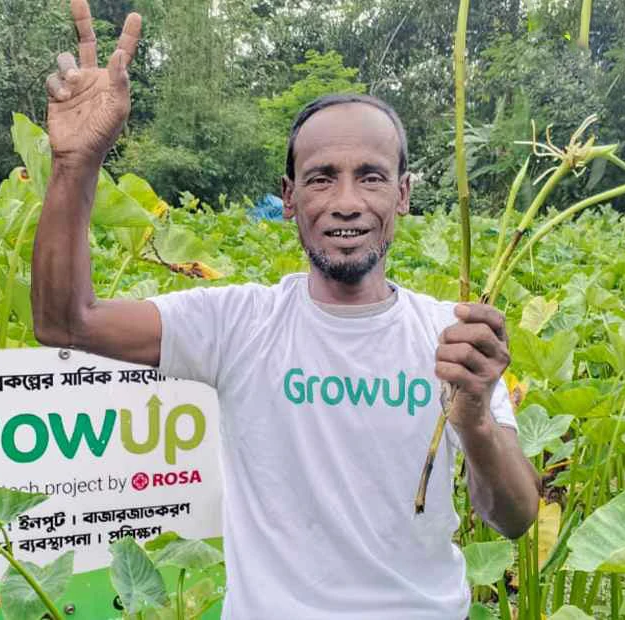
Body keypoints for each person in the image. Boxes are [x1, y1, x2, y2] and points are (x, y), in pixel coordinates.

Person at [32, 1, 540, 617]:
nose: (347, 201)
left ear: (403, 195)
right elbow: (66, 321)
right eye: (322, 178)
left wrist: (476, 419)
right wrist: (74, 165)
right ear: (290, 198)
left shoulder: (453, 339)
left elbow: (514, 518)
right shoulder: (237, 325)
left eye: (372, 177)